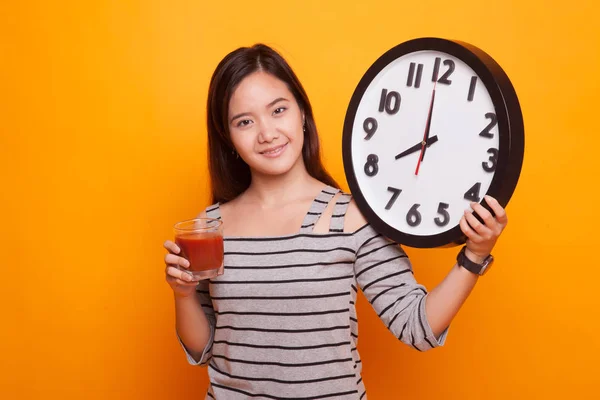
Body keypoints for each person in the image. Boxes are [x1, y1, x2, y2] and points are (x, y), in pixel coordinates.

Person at [163, 44, 508, 399]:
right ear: (229, 138)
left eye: (278, 110)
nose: (266, 133)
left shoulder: (352, 216)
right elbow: (204, 349)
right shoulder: (211, 225)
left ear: (302, 114)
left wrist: (475, 255)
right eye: (245, 122)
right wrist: (183, 294)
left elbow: (418, 326)